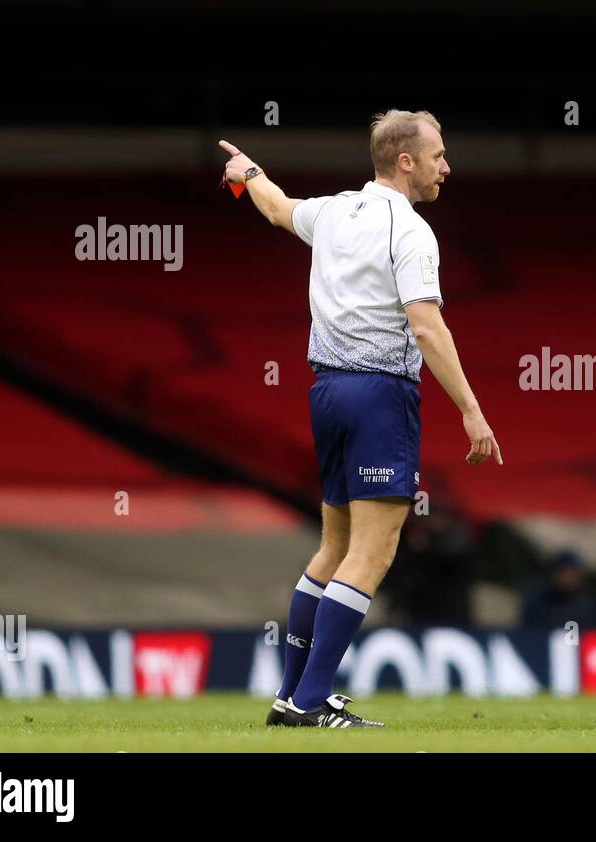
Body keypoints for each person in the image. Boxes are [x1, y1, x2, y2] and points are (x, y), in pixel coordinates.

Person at [219, 109, 502, 728]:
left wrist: (247, 172)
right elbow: (426, 325)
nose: (445, 168)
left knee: (335, 547)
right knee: (373, 554)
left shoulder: (335, 210)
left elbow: (276, 207)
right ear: (406, 161)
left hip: (326, 393)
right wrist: (472, 410)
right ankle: (310, 700)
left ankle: (289, 696)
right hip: (379, 396)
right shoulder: (411, 231)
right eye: (437, 156)